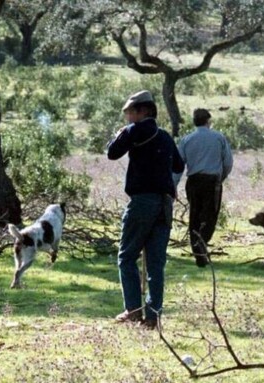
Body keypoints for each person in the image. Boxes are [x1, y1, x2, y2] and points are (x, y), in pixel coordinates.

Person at [107, 90, 184, 328]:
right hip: (164, 203)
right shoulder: (164, 136)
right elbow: (179, 165)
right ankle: (152, 317)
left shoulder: (134, 131)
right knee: (155, 264)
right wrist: (168, 185)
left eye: (130, 112)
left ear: (144, 111)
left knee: (127, 257)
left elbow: (112, 153)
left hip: (142, 202)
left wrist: (121, 134)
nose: (128, 117)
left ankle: (132, 309)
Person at [174, 108, 233, 267]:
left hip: (193, 181)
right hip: (212, 181)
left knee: (195, 214)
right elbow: (228, 162)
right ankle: (202, 244)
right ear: (208, 121)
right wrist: (221, 177)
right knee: (210, 215)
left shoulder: (187, 140)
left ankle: (198, 249)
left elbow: (178, 166)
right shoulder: (218, 137)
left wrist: (173, 185)